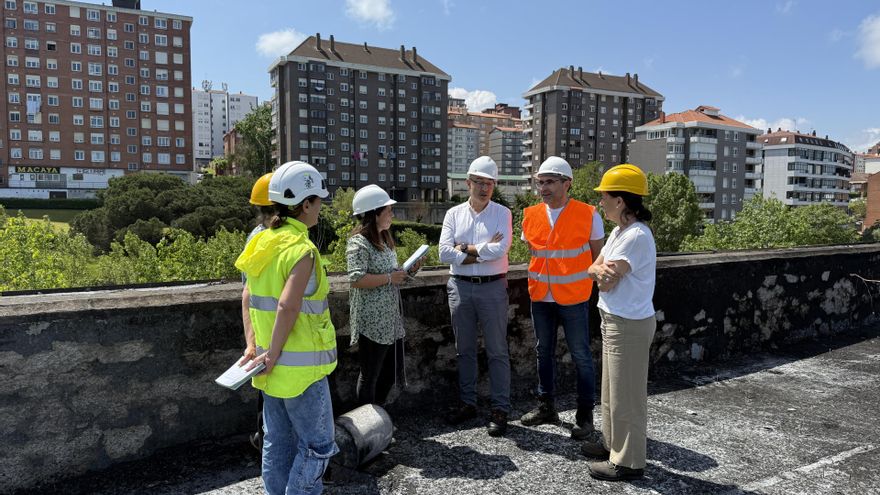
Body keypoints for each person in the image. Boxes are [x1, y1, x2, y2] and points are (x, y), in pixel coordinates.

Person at [235, 161, 338, 495]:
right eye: (318, 201)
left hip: (268, 366)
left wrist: (255, 348)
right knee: (319, 445)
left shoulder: (261, 243)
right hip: (300, 369)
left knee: (276, 442)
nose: (320, 207)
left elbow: (248, 296)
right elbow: (288, 305)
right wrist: (276, 353)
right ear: (305, 204)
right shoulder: (301, 249)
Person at [520, 156, 604, 440]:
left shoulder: (589, 213)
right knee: (543, 351)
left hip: (574, 296)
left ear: (567, 183)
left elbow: (597, 256)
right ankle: (546, 407)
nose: (544, 188)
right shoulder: (530, 214)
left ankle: (585, 415)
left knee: (581, 355)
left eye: (550, 182)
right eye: (541, 182)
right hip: (541, 296)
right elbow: (534, 254)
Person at [581, 164, 657, 482]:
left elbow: (607, 281)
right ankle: (612, 445)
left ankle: (628, 462)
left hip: (628, 324)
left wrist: (599, 272)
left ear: (621, 201)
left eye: (605, 196)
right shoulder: (618, 232)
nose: (601, 201)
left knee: (627, 395)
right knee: (612, 392)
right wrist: (599, 272)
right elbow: (594, 268)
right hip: (615, 320)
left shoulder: (636, 236)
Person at [439, 156, 513, 437]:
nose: (484, 188)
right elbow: (444, 253)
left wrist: (465, 248)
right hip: (460, 286)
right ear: (468, 183)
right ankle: (468, 403)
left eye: (490, 183)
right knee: (464, 349)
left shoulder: (502, 214)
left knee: (497, 351)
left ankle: (500, 408)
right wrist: (480, 250)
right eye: (480, 182)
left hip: (493, 286)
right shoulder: (453, 214)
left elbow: (501, 249)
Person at [347, 184, 420, 407]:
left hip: (389, 318)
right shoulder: (358, 243)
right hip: (371, 320)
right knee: (370, 374)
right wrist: (390, 277)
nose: (392, 214)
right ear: (374, 213)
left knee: (390, 370)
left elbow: (394, 274)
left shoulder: (385, 239)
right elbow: (356, 279)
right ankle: (365, 425)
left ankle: (377, 416)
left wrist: (411, 270)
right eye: (388, 210)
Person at [239, 172, 274, 452]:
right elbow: (249, 294)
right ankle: (264, 445)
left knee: (268, 397)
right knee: (270, 400)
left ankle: (265, 445)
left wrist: (251, 342)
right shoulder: (264, 239)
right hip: (272, 334)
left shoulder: (260, 236)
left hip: (265, 334)